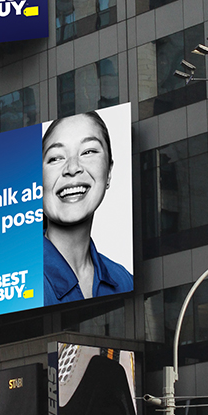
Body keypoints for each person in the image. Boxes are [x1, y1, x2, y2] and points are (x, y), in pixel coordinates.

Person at [42, 111, 132, 305]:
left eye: (88, 151)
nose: (73, 168)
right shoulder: (15, 278)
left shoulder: (124, 281)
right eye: (56, 157)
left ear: (108, 173)